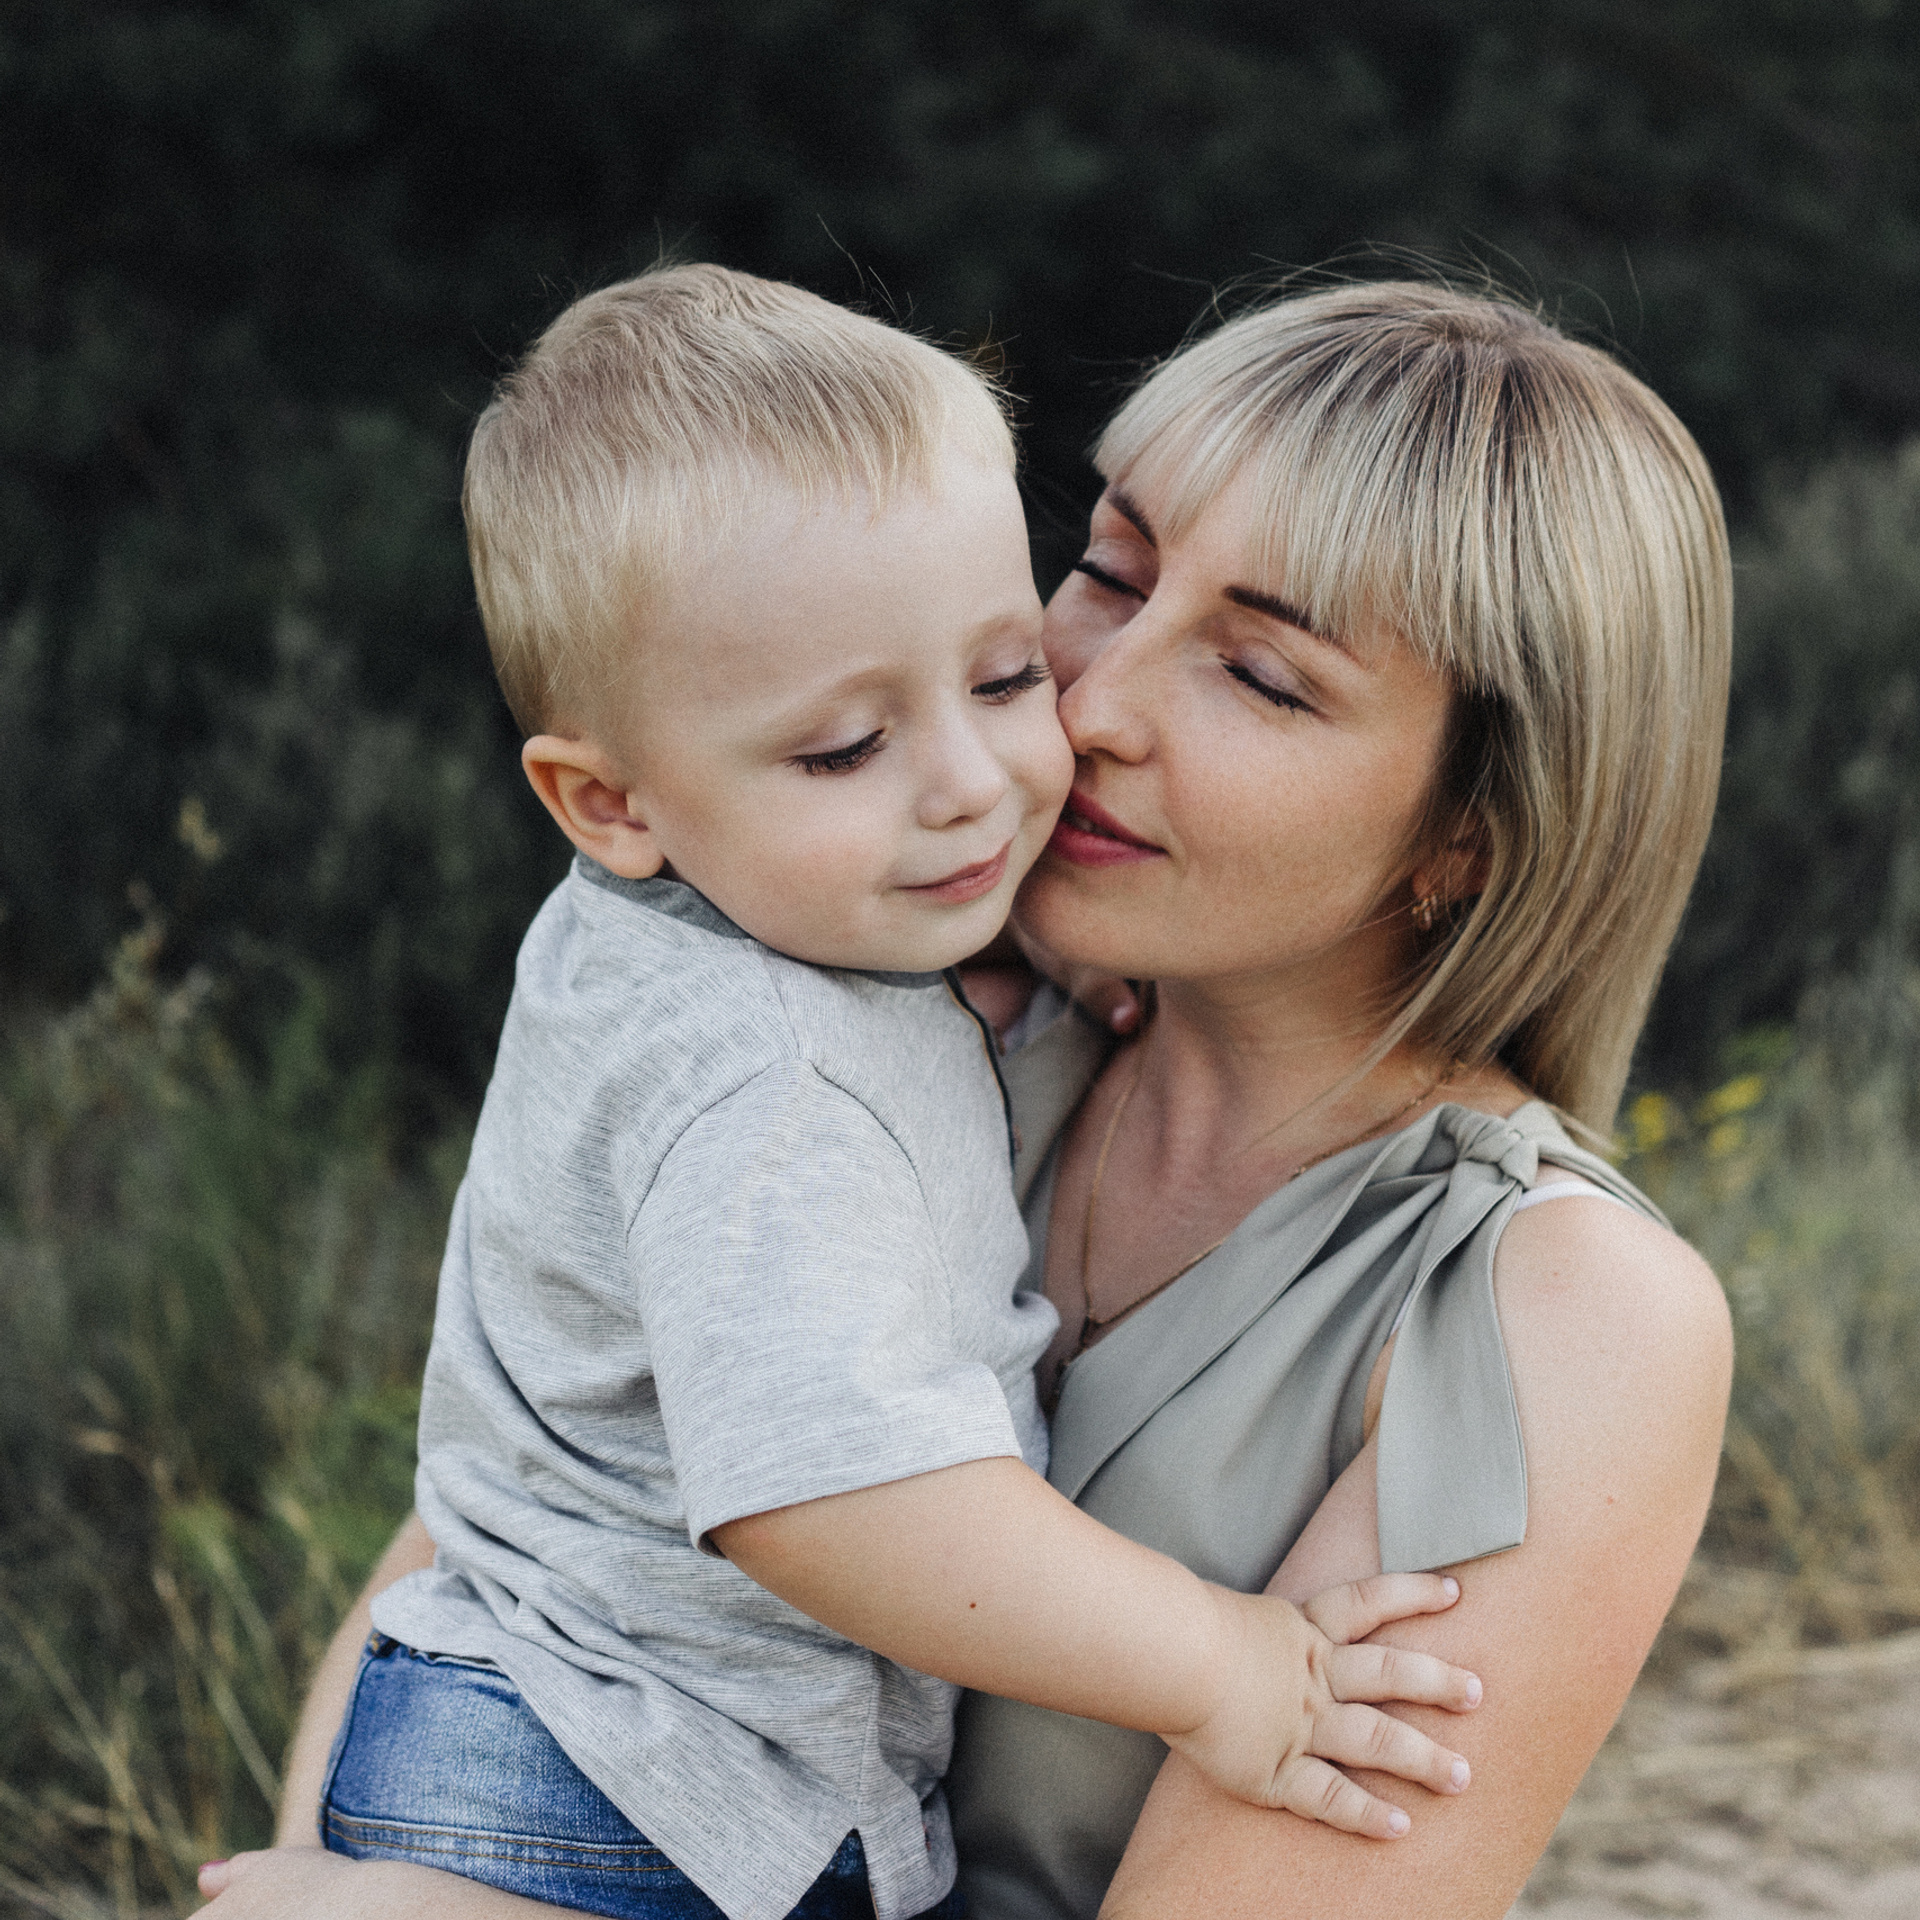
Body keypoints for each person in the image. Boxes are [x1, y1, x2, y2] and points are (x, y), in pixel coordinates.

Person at [196, 277, 1733, 1920]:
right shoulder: (867, 1016)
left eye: (1264, 679)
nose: (1092, 703)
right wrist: (334, 1869)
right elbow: (499, 1530)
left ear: (1468, 838)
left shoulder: (1561, 1319)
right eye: (1109, 573)